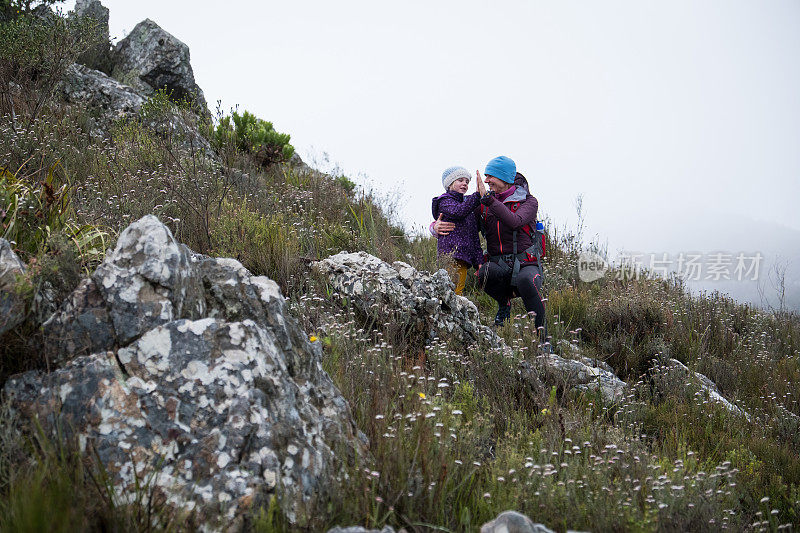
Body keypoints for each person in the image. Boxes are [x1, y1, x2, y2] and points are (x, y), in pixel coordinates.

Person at [476, 156, 546, 337]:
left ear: (505, 178)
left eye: (490, 176)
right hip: (499, 266)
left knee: (526, 281)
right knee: (484, 274)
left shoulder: (529, 202)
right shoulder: (484, 204)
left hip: (526, 265)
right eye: (485, 176)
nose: (486, 181)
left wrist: (489, 201)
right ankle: (504, 305)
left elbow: (515, 221)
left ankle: (543, 339)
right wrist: (434, 228)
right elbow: (464, 222)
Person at [431, 166, 484, 295]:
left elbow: (474, 236)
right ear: (449, 183)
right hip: (450, 256)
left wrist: (479, 261)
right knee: (449, 291)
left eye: (467, 181)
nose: (464, 184)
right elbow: (458, 211)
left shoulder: (468, 205)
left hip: (464, 258)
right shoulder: (444, 201)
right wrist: (477, 195)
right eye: (460, 180)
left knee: (457, 292)